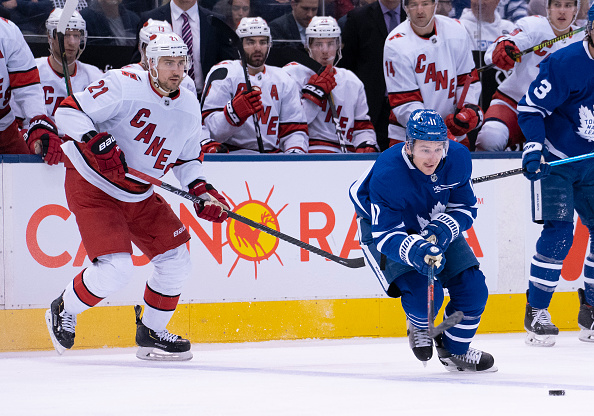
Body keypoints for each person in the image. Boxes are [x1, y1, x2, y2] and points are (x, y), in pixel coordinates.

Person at [45, 32, 230, 361]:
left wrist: (203, 192)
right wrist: (94, 139)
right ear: (150, 64)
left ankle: (151, 331)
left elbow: (187, 161)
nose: (176, 70)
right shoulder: (123, 83)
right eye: (168, 63)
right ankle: (63, 308)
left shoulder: (188, 104)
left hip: (140, 194)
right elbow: (67, 112)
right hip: (93, 184)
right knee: (116, 269)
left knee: (177, 262)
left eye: (181, 63)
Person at [349, 109, 496, 372]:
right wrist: (415, 249)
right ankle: (418, 323)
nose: (433, 158)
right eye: (425, 150)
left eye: (438, 148)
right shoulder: (388, 172)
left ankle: (454, 350)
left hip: (433, 223)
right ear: (409, 146)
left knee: (474, 291)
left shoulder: (457, 159)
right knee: (426, 299)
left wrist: (444, 226)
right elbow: (385, 234)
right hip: (389, 230)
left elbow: (465, 208)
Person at [517, 3, 594, 347]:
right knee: (560, 233)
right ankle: (536, 311)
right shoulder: (565, 63)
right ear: (589, 28)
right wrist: (534, 146)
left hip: (592, 163)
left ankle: (590, 309)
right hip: (558, 161)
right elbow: (530, 107)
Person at [475, 0, 583, 151]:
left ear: (575, 10)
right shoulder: (534, 26)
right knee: (490, 138)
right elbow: (505, 44)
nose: (562, 11)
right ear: (548, 8)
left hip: (555, 115)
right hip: (514, 104)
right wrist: (503, 48)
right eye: (557, 5)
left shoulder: (583, 40)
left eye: (568, 5)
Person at [384, 0, 483, 149]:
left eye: (425, 3)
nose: (419, 11)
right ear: (405, 8)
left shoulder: (456, 30)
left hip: (453, 133)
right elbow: (405, 103)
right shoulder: (396, 44)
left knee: (459, 171)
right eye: (413, 5)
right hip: (410, 136)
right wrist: (436, 131)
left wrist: (467, 110)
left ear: (435, 4)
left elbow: (467, 80)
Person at [201, 17, 308, 153]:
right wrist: (233, 114)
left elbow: (294, 129)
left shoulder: (283, 78)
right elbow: (209, 131)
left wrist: (294, 154)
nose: (258, 48)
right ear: (238, 44)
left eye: (262, 42)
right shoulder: (223, 73)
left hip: (273, 159)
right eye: (250, 42)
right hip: (233, 156)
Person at [283, 16, 378, 153]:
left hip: (345, 155)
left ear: (339, 45)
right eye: (318, 44)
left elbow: (362, 127)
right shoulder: (292, 74)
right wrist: (313, 95)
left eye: (330, 44)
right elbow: (291, 125)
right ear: (308, 45)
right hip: (308, 153)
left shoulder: (351, 80)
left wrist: (366, 144)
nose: (325, 51)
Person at [14, 8, 103, 125]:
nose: (72, 42)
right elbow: (16, 124)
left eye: (76, 35)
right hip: (40, 139)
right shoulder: (31, 71)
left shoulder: (95, 76)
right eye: (65, 35)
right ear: (50, 36)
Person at [340, 0, 406, 151]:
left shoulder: (413, 16)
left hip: (405, 101)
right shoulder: (358, 18)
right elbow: (347, 64)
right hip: (371, 105)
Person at [137, 0, 236, 96]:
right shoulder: (151, 18)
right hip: (162, 96)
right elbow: (140, 61)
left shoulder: (216, 21)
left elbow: (227, 64)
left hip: (206, 98)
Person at [0, 15, 61, 161]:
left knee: (26, 176)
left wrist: (38, 121)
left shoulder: (8, 33)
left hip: (4, 126)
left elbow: (27, 87)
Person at [123, 18, 197, 96]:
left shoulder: (185, 82)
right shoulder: (126, 76)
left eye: (163, 49)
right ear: (140, 47)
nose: (154, 54)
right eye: (151, 48)